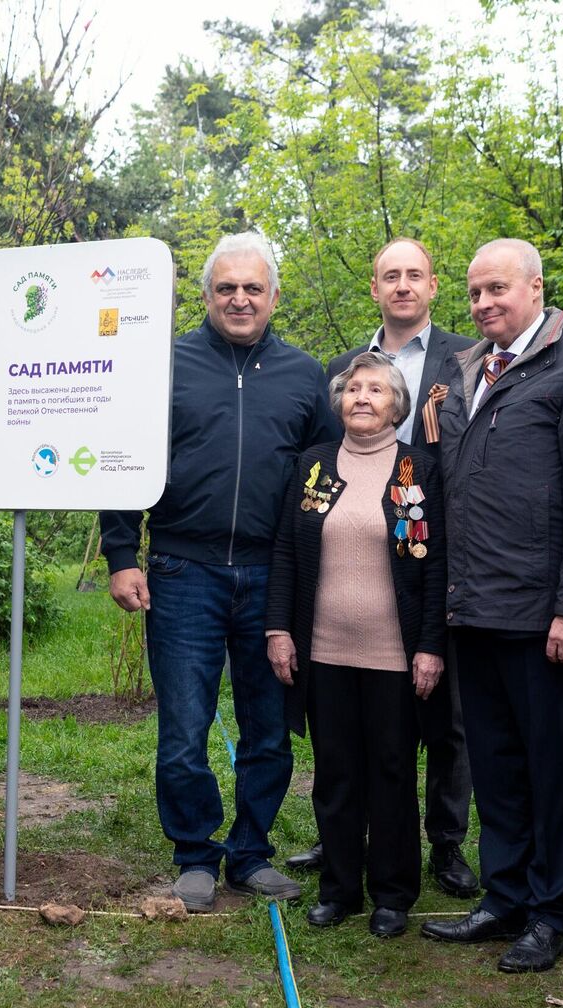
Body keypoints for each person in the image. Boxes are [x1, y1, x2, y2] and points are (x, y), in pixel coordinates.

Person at [100, 231, 334, 912]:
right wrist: (121, 555)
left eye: (252, 288)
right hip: (182, 569)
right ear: (204, 296)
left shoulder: (303, 375)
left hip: (273, 576)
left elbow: (324, 477)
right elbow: (122, 461)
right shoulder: (162, 365)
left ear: (273, 297)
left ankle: (252, 853)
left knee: (267, 727)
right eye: (226, 287)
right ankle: (195, 854)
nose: (239, 298)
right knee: (183, 729)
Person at [418, 239, 563, 974]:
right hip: (474, 608)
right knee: (498, 765)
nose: (483, 305)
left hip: (545, 617)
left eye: (498, 290)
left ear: (537, 288)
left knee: (549, 768)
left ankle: (549, 912)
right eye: (474, 294)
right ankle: (502, 899)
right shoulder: (464, 369)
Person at [290, 237, 478, 901]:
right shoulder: (341, 365)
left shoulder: (466, 358)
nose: (402, 286)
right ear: (373, 288)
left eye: (414, 275)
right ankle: (341, 849)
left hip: (434, 551)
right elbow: (314, 489)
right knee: (343, 747)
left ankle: (444, 845)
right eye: (389, 276)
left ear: (433, 285)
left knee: (441, 725)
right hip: (344, 586)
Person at [265, 352, 446, 937]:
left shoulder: (419, 469)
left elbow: (436, 562)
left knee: (392, 771)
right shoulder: (314, 467)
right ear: (337, 402)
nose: (363, 398)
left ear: (398, 404)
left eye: (377, 389)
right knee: (336, 772)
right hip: (324, 650)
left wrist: (430, 645)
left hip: (396, 653)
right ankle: (339, 888)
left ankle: (393, 893)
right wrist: (278, 630)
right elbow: (287, 553)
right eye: (352, 390)